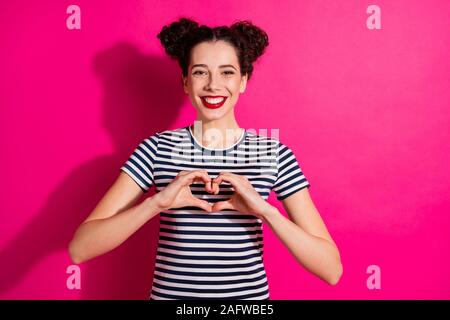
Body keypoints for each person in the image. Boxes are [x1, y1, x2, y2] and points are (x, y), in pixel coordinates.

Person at [68, 17, 343, 300]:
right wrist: (156, 204)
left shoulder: (274, 155)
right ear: (186, 82)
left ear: (243, 80)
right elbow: (81, 248)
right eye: (200, 72)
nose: (213, 85)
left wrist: (265, 211)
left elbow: (330, 270)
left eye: (227, 73)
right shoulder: (156, 149)